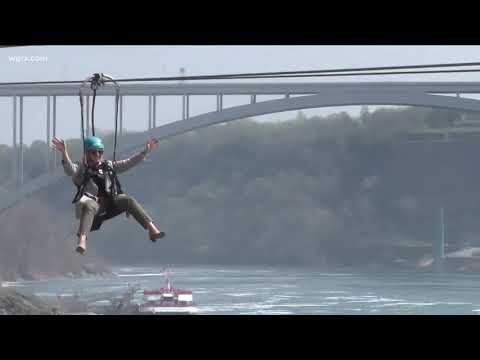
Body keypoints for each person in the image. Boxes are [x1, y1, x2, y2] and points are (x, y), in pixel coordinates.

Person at [51, 135, 165, 254]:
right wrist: (64, 152)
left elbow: (129, 163)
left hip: (110, 205)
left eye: (100, 152)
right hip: (92, 208)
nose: (98, 155)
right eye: (94, 152)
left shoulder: (108, 166)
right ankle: (82, 240)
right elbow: (70, 170)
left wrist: (145, 151)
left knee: (128, 200)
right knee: (90, 204)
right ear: (87, 153)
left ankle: (152, 229)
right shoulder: (82, 168)